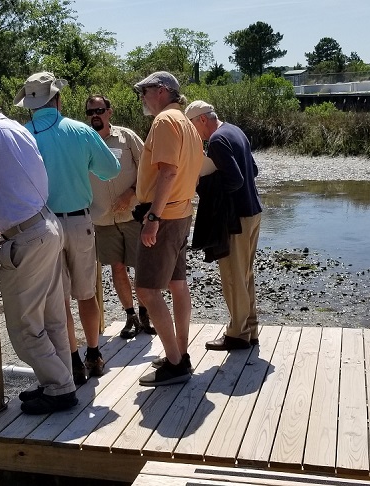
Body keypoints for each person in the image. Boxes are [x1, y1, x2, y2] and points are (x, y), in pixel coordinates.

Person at [0, 86, 76, 415]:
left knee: (24, 327)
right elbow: (18, 181)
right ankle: (58, 382)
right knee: (52, 317)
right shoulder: (16, 127)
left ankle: (60, 387)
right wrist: (6, 227)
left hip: (30, 237)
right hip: (46, 225)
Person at [15, 72, 120, 385]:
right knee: (87, 293)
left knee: (58, 299)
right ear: (57, 99)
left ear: (30, 105)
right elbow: (111, 169)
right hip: (79, 221)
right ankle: (94, 353)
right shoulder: (80, 130)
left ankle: (72, 359)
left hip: (43, 226)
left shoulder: (23, 136)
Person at [132, 71, 205, 386]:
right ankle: (180, 353)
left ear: (161, 91)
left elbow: (168, 172)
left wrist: (152, 218)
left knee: (147, 290)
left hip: (164, 217)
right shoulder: (187, 123)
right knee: (177, 283)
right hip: (182, 213)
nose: (143, 98)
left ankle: (175, 363)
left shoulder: (164, 121)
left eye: (144, 92)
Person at [185, 100, 264, 351]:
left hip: (235, 219)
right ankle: (250, 329)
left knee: (233, 277)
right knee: (245, 275)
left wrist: (202, 182)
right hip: (253, 211)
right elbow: (253, 170)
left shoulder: (217, 140)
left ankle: (237, 334)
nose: (194, 134)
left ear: (202, 120)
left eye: (192, 127)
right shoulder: (235, 130)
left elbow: (235, 180)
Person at [84, 94, 154, 339]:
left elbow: (148, 168)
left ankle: (146, 313)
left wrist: (132, 192)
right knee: (117, 267)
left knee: (141, 267)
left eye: (99, 110)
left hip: (132, 215)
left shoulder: (127, 137)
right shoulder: (84, 140)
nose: (95, 115)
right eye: (90, 112)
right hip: (102, 219)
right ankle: (130, 316)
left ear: (109, 112)